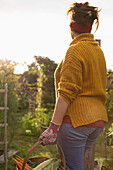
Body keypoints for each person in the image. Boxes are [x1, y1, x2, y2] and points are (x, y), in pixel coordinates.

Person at [38, 2, 108, 170]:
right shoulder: (97, 51)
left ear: (71, 26)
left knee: (71, 166)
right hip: (96, 122)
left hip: (76, 122)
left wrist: (53, 128)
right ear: (91, 26)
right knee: (71, 165)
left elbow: (66, 93)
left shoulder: (75, 50)